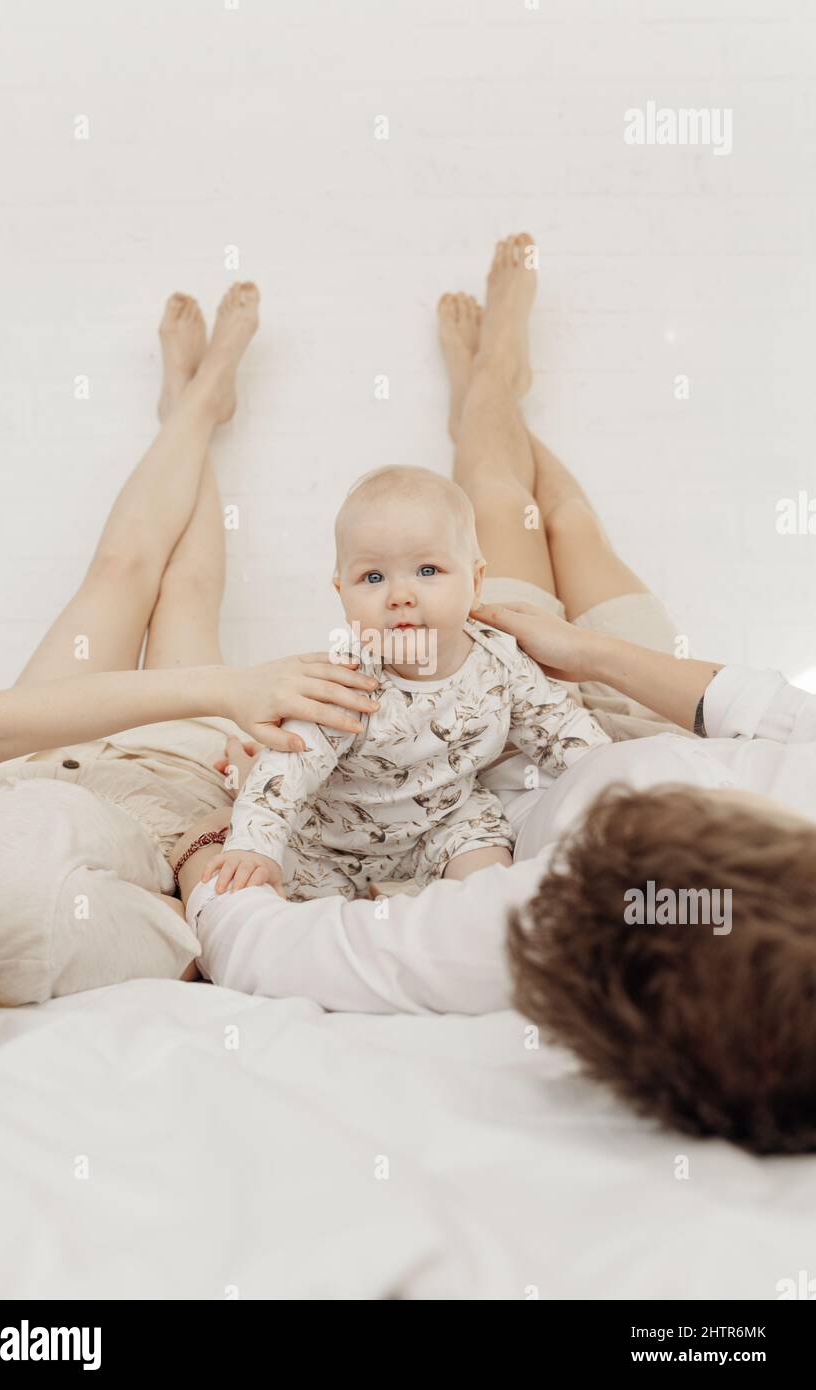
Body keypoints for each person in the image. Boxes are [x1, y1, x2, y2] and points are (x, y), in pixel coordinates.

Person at [173, 235, 816, 1156]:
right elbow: (766, 712)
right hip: (628, 682)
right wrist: (585, 655)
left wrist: (223, 860)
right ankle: (497, 380)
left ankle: (489, 396)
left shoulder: (549, 921)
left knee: (506, 505)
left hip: (507, 686)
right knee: (565, 521)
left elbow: (274, 945)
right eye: (370, 579)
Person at [0, 285, 380, 1021]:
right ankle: (197, 399)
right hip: (166, 795)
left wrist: (226, 688)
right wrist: (238, 819)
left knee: (121, 570)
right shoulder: (38, 937)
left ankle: (196, 397)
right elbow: (186, 929)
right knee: (187, 589)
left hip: (37, 753)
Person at [204, 461, 610, 901]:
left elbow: (560, 730)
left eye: (428, 571)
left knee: (486, 861)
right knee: (281, 888)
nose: (400, 595)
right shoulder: (345, 682)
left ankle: (465, 916)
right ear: (342, 596)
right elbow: (287, 767)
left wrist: (618, 783)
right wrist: (254, 845)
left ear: (475, 582)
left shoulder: (501, 662)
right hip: (334, 837)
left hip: (444, 818)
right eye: (373, 577)